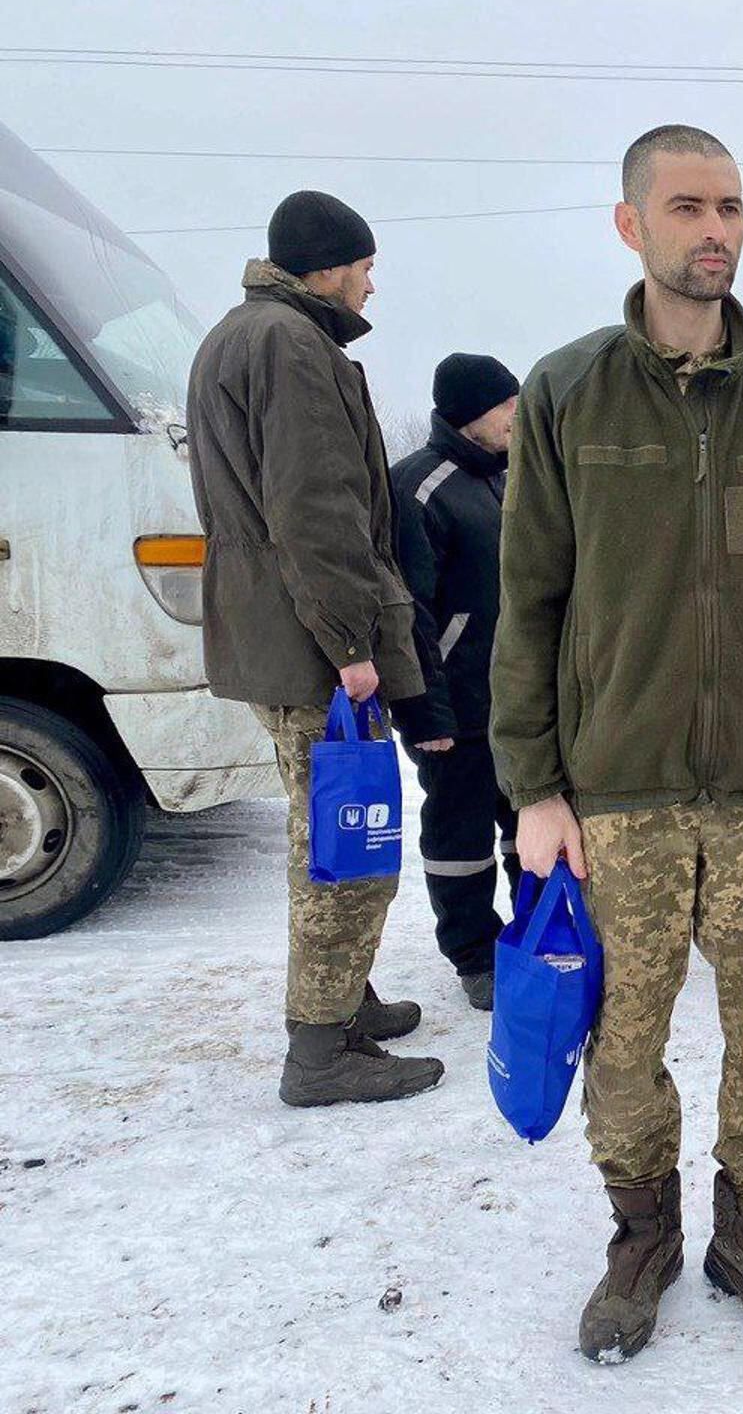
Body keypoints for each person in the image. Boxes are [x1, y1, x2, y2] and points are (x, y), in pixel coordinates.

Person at [489, 125, 743, 1361]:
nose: (717, 229)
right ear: (632, 225)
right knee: (626, 1036)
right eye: (690, 206)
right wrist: (536, 786)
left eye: (734, 207)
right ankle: (640, 1231)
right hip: (621, 793)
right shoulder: (568, 390)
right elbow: (530, 605)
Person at [185, 190, 443, 1108]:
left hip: (274, 630)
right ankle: (321, 1048)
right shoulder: (293, 347)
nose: (373, 286)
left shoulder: (237, 334)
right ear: (327, 267)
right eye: (366, 268)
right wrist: (350, 643)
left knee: (329, 825)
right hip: (313, 644)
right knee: (345, 838)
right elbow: (316, 508)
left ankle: (344, 998)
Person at [389, 353, 523, 1012]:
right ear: (472, 413)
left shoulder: (508, 479)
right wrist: (424, 714)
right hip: (457, 708)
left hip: (520, 706)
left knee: (536, 830)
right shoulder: (419, 486)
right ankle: (475, 956)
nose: (518, 417)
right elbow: (407, 610)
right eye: (507, 406)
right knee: (460, 840)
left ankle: (540, 938)